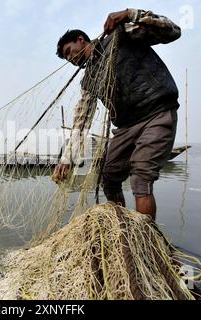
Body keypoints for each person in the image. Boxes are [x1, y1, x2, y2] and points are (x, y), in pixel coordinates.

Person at [53, 9, 182, 221]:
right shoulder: (89, 79)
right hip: (125, 127)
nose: (70, 58)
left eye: (69, 51)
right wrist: (67, 158)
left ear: (80, 39)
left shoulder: (121, 35)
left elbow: (173, 31)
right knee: (109, 177)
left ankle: (147, 241)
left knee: (140, 179)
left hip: (156, 112)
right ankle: (121, 232)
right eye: (66, 57)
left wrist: (131, 14)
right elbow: (81, 121)